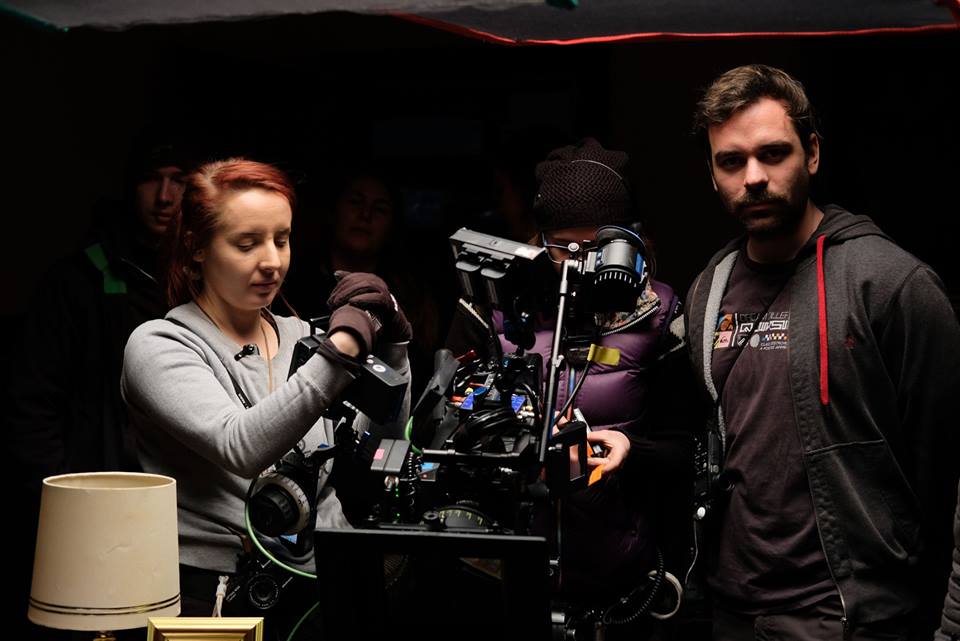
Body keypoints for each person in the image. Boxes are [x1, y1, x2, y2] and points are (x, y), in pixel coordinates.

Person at [684, 64, 960, 640]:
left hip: (850, 617)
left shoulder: (891, 284)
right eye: (730, 161)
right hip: (732, 610)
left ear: (811, 153)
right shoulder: (709, 290)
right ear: (712, 174)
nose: (753, 177)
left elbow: (950, 471)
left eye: (772, 153)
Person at [120, 159, 411, 636]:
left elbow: (380, 449)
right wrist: (342, 351)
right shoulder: (159, 345)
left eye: (282, 239)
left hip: (324, 589)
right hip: (218, 599)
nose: (272, 261)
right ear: (196, 248)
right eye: (247, 243)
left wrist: (395, 347)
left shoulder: (305, 337)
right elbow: (241, 446)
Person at [493, 138, 695, 638]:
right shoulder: (501, 315)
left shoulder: (662, 317)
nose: (581, 263)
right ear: (539, 240)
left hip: (619, 578)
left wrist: (631, 449)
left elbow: (688, 450)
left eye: (598, 248)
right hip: (513, 571)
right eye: (565, 247)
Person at [9, 134, 191, 640]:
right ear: (129, 187)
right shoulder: (78, 281)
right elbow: (32, 406)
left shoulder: (208, 281)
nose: (164, 196)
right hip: (93, 512)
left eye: (178, 181)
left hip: (184, 519)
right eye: (151, 180)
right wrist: (60, 508)